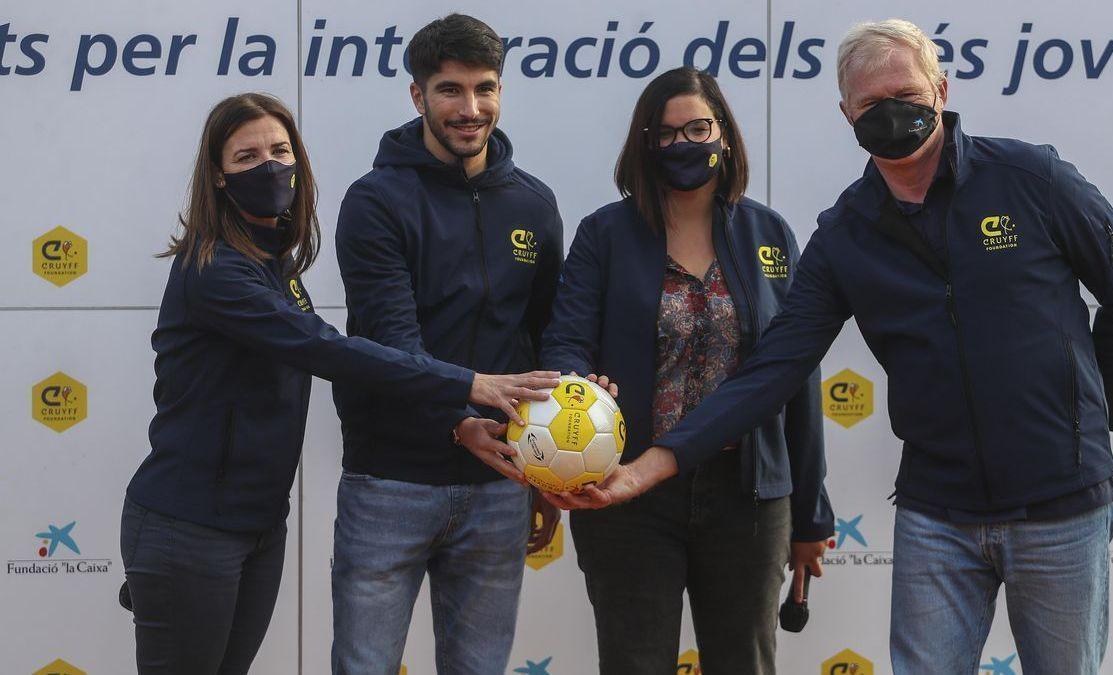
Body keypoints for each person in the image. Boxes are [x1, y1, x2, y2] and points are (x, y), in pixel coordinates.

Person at [564, 19, 1113, 675]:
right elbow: (773, 371)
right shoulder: (846, 233)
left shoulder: (1032, 177)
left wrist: (1084, 425)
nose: (891, 113)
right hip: (937, 512)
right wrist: (648, 467)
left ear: (940, 87)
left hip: (1061, 504)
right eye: (871, 104)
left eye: (905, 92)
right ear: (845, 111)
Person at [119, 92, 557, 675]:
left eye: (280, 151)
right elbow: (330, 351)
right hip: (189, 526)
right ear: (217, 177)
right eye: (246, 157)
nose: (269, 167)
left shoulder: (273, 264)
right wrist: (469, 384)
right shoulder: (214, 270)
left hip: (254, 524)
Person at [538, 67, 831, 675]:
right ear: (646, 144)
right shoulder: (605, 234)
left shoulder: (768, 233)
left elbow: (796, 376)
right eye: (667, 134)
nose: (684, 145)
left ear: (723, 133)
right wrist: (578, 387)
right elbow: (565, 339)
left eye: (698, 128)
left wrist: (812, 515)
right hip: (627, 492)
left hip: (748, 497)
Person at [330, 14, 564, 675]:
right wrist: (459, 421)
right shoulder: (375, 201)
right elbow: (389, 338)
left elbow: (547, 337)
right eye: (450, 90)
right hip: (390, 482)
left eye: (485, 88)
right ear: (417, 96)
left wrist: (551, 472)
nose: (470, 109)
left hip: (499, 484)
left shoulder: (534, 204)